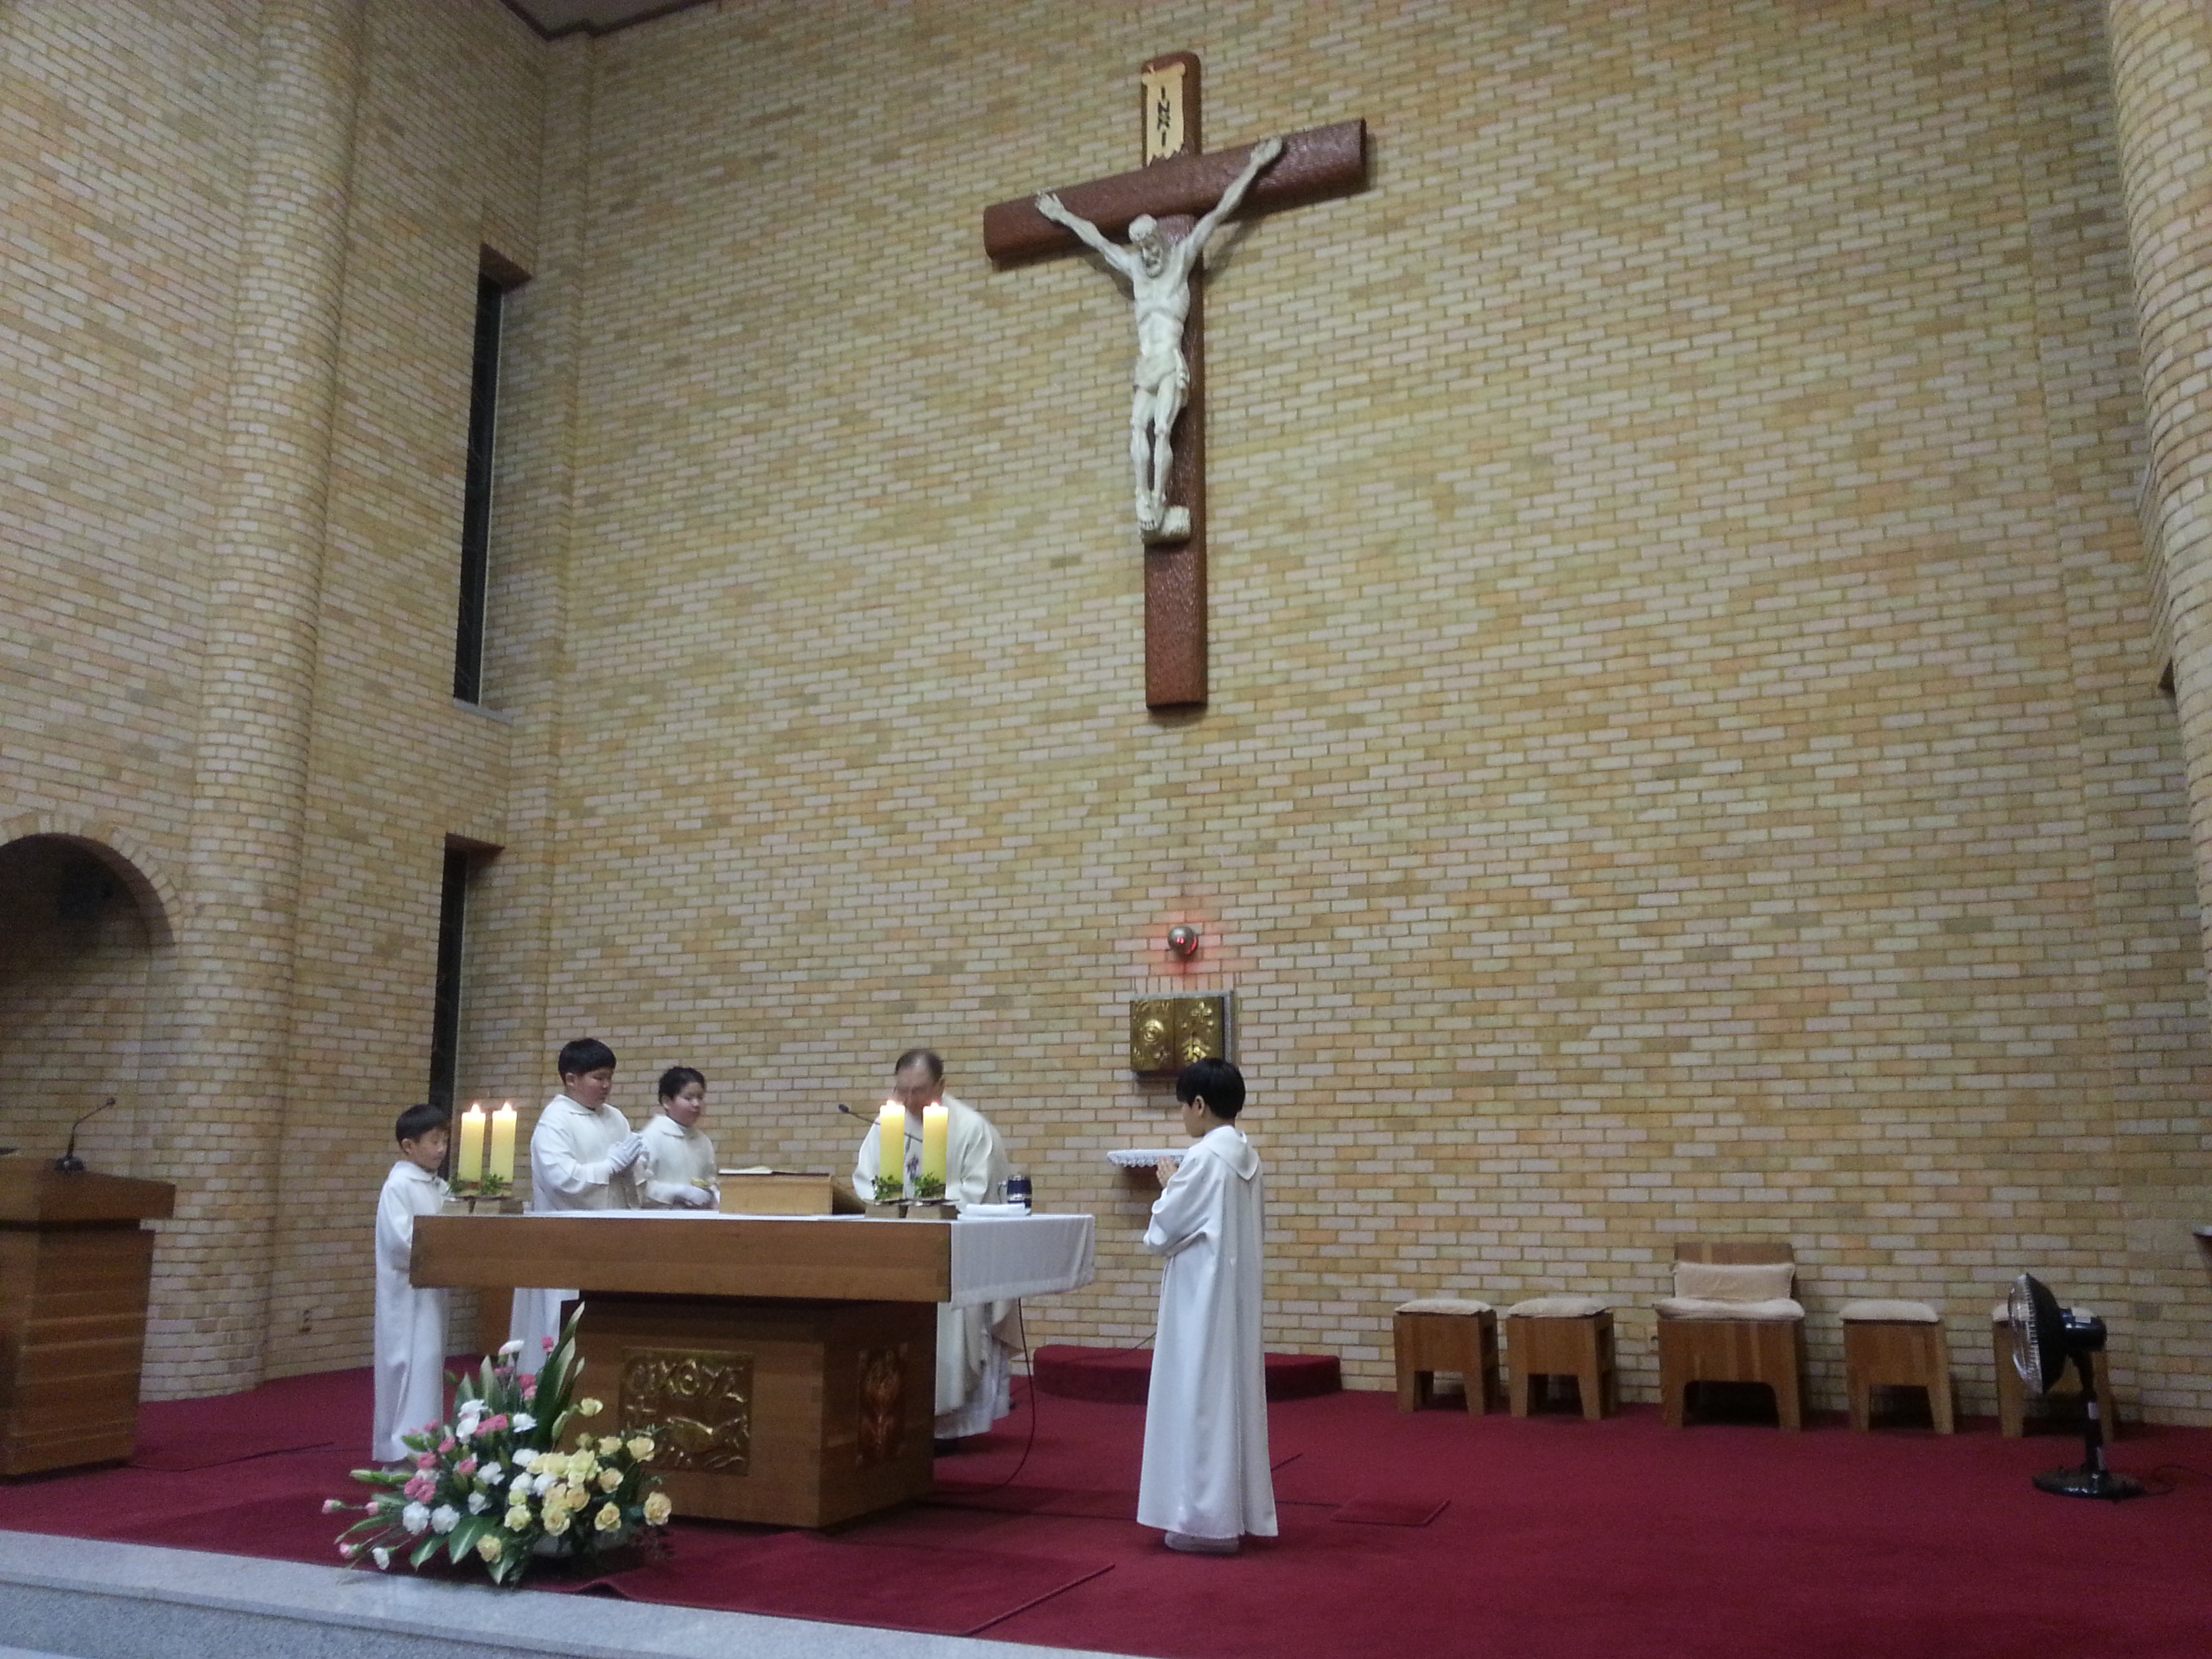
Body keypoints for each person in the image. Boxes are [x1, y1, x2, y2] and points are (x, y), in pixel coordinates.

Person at [1033, 135, 1284, 544]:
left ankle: (1159, 496)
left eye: (1152, 247)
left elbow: (1220, 212)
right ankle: (1143, 498)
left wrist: (1255, 166)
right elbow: (1096, 240)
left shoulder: (1181, 259)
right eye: (1142, 249)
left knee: (1162, 430)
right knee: (1137, 428)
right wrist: (1061, 214)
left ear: (1162, 243)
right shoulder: (1135, 270)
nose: (1148, 256)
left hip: (1169, 361)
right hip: (1146, 366)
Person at [1137, 1057, 1277, 1555]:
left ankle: (1203, 1523)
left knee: (1199, 1400)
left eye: (1182, 1105)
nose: (1181, 1114)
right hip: (1233, 1298)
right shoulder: (1246, 1155)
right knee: (1226, 1400)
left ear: (1199, 1105)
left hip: (1200, 1301)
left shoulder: (1203, 1159)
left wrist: (1169, 1185)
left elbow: (1163, 1232)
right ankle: (1229, 1513)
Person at [851, 1048, 1015, 1443]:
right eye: (902, 1090)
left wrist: (927, 1203)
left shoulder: (971, 1129)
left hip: (952, 1254)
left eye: (919, 1090)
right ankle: (900, 1422)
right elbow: (867, 1179)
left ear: (941, 1086)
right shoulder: (886, 1124)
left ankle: (951, 1429)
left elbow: (977, 1192)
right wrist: (892, 1201)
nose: (909, 1101)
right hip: (898, 1255)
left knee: (951, 1337)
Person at [508, 1038, 644, 1374]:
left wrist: (634, 1167)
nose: (607, 1086)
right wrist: (609, 1166)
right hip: (565, 1244)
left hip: (611, 1241)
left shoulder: (615, 1118)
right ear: (571, 1079)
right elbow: (561, 1179)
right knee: (563, 1327)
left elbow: (630, 1172)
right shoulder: (554, 1121)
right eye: (599, 1077)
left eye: (610, 1077)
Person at [373, 1103, 451, 1462]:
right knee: (407, 1365)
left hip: (432, 1292)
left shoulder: (438, 1186)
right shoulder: (399, 1187)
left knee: (429, 1366)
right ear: (408, 1146)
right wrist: (446, 1245)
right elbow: (400, 1242)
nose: (441, 1149)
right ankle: (401, 1450)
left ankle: (427, 1448)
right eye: (434, 1141)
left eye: (445, 1140)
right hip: (406, 1295)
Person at [639, 1065, 719, 1209]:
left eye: (700, 1097)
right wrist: (679, 1192)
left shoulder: (703, 1141)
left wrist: (712, 1193)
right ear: (667, 1102)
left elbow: (710, 1178)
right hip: (660, 1218)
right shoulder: (651, 1137)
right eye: (688, 1098)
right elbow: (640, 1187)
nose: (696, 1104)